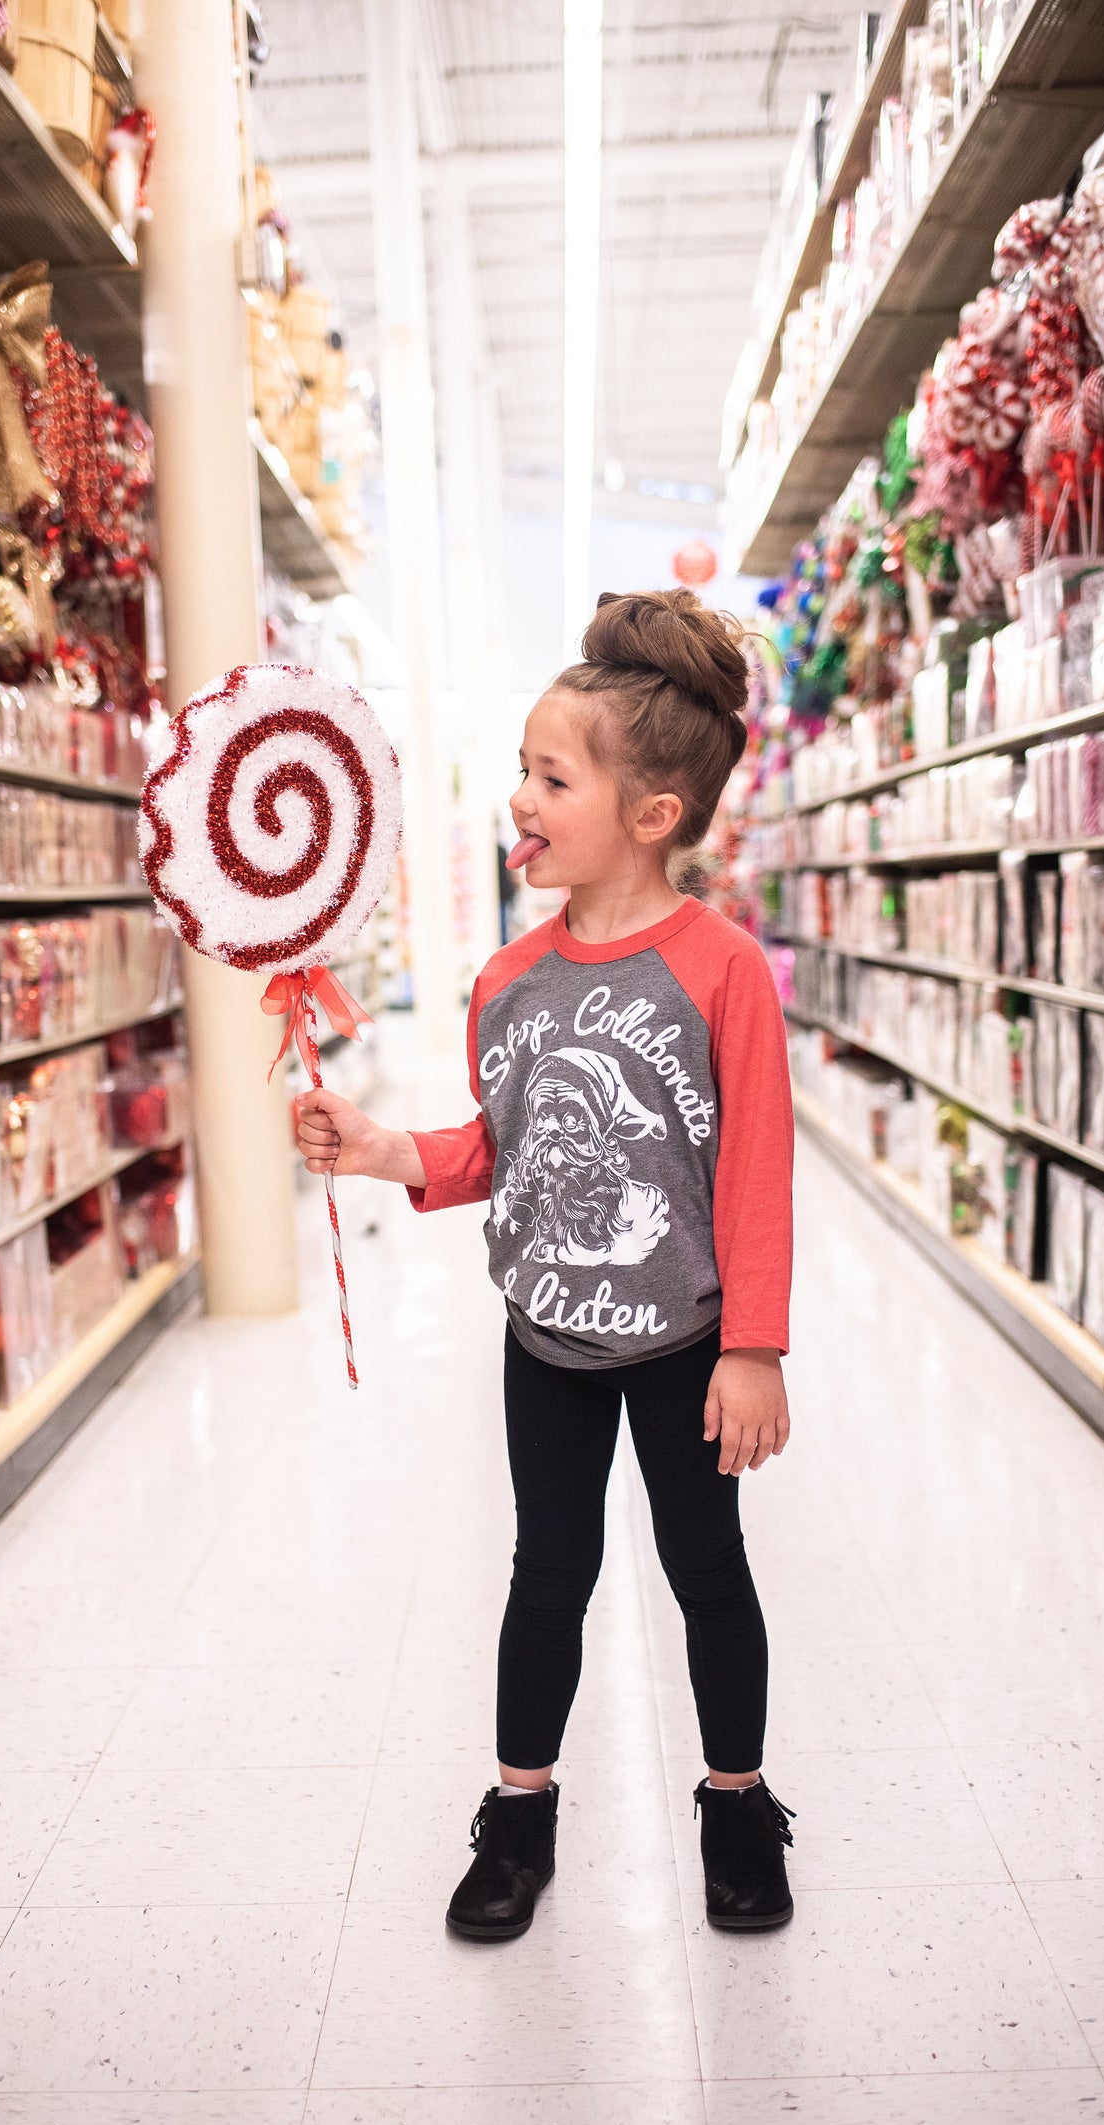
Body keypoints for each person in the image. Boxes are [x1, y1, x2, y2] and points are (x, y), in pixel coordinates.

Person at [294, 588, 796, 1941]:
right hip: (548, 1342)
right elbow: (497, 1152)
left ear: (651, 813)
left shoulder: (721, 970)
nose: (517, 796)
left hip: (688, 1343)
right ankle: (518, 1813)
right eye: (521, 768)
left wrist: (752, 1346)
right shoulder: (505, 977)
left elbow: (749, 1175)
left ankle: (737, 1802)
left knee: (708, 1570)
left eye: (547, 775)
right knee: (546, 1571)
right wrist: (382, 1141)